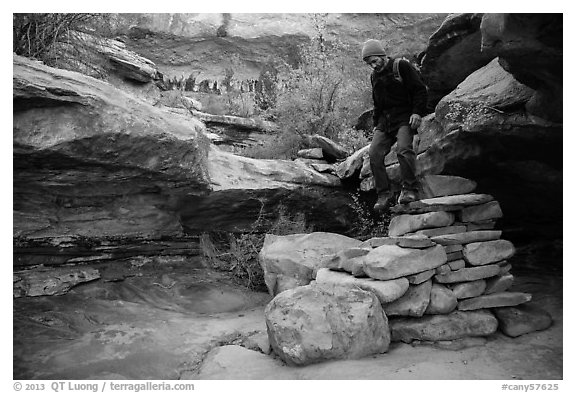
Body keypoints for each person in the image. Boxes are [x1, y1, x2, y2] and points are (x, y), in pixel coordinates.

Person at [361, 39, 428, 212]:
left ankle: (409, 189)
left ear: (382, 55)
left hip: (405, 116)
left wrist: (417, 112)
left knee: (404, 149)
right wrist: (376, 125)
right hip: (385, 121)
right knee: (374, 153)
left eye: (374, 61)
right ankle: (384, 194)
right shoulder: (374, 76)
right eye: (370, 64)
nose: (373, 66)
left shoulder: (401, 66)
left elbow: (420, 90)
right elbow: (377, 103)